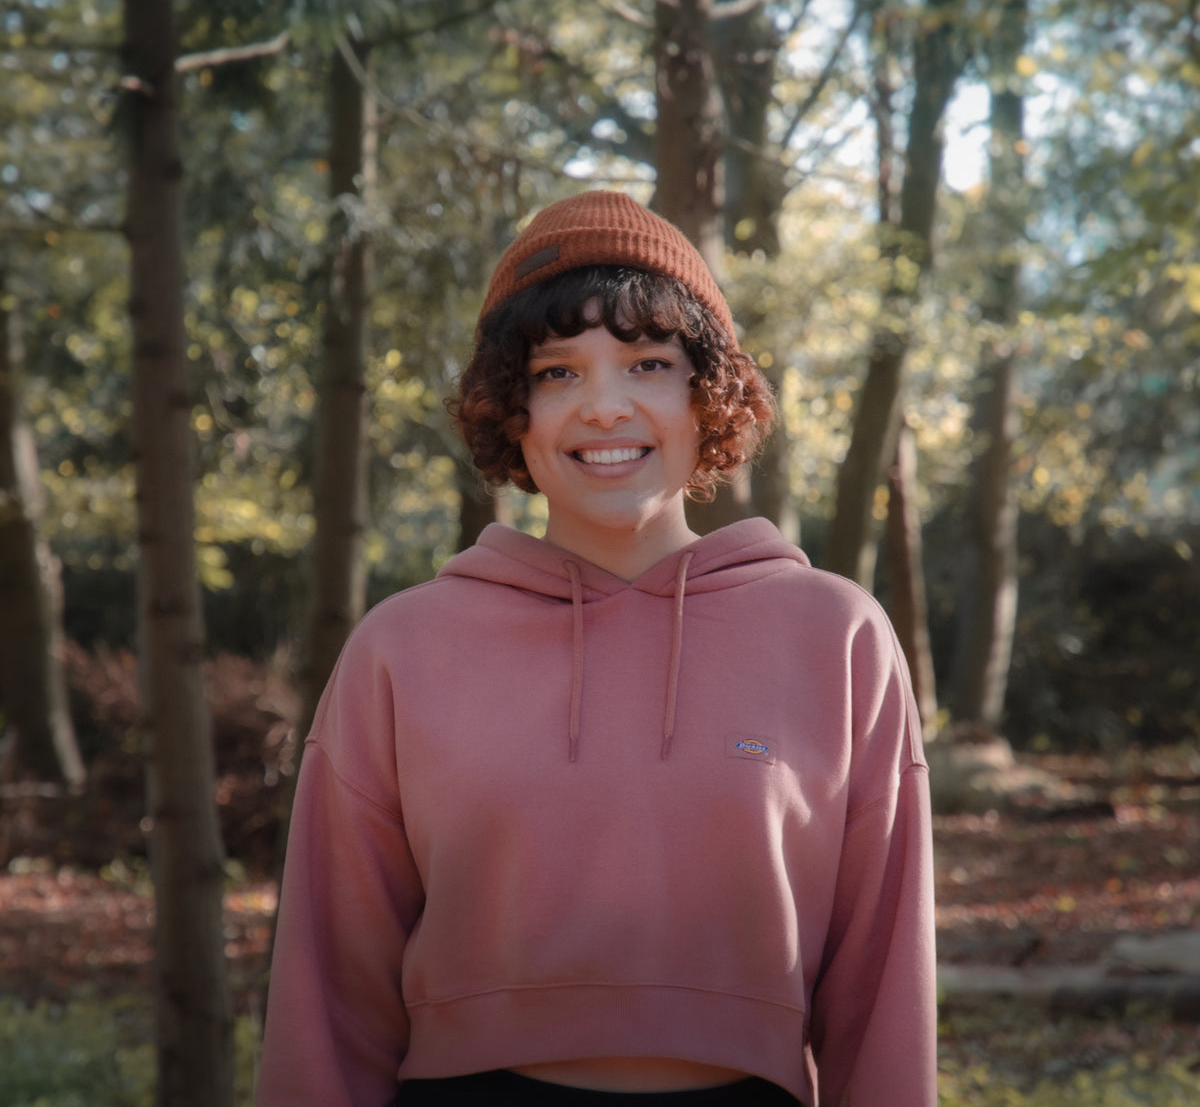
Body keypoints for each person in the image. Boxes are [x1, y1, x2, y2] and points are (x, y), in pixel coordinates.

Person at [256, 190, 937, 1107]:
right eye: (557, 373)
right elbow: (328, 998)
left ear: (707, 396)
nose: (604, 409)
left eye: (648, 364)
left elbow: (882, 991)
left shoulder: (835, 636)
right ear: (512, 411)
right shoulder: (402, 649)